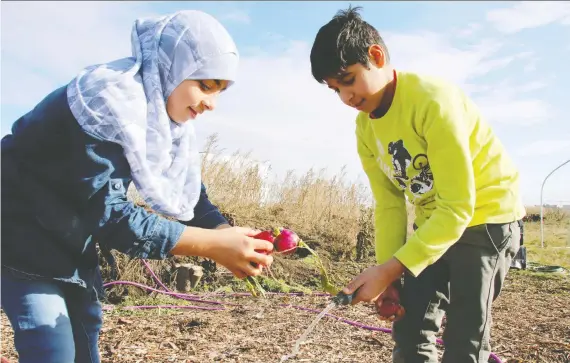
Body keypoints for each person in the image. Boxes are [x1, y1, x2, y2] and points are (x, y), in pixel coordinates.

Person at [1, 10, 274, 363]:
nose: (211, 103)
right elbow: (109, 214)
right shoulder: (106, 100)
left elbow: (188, 191)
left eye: (220, 91)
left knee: (86, 331)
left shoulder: (159, 114)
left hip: (66, 237)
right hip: (18, 231)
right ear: (172, 67)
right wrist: (210, 246)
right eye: (205, 85)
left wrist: (226, 233)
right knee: (50, 346)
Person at [310, 6, 525, 363]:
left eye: (347, 79)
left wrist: (391, 268)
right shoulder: (365, 129)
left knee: (465, 337)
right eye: (335, 90)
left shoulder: (433, 100)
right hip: (435, 225)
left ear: (376, 56)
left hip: (486, 218)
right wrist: (389, 278)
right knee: (411, 328)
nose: (346, 98)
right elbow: (390, 204)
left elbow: (458, 206)